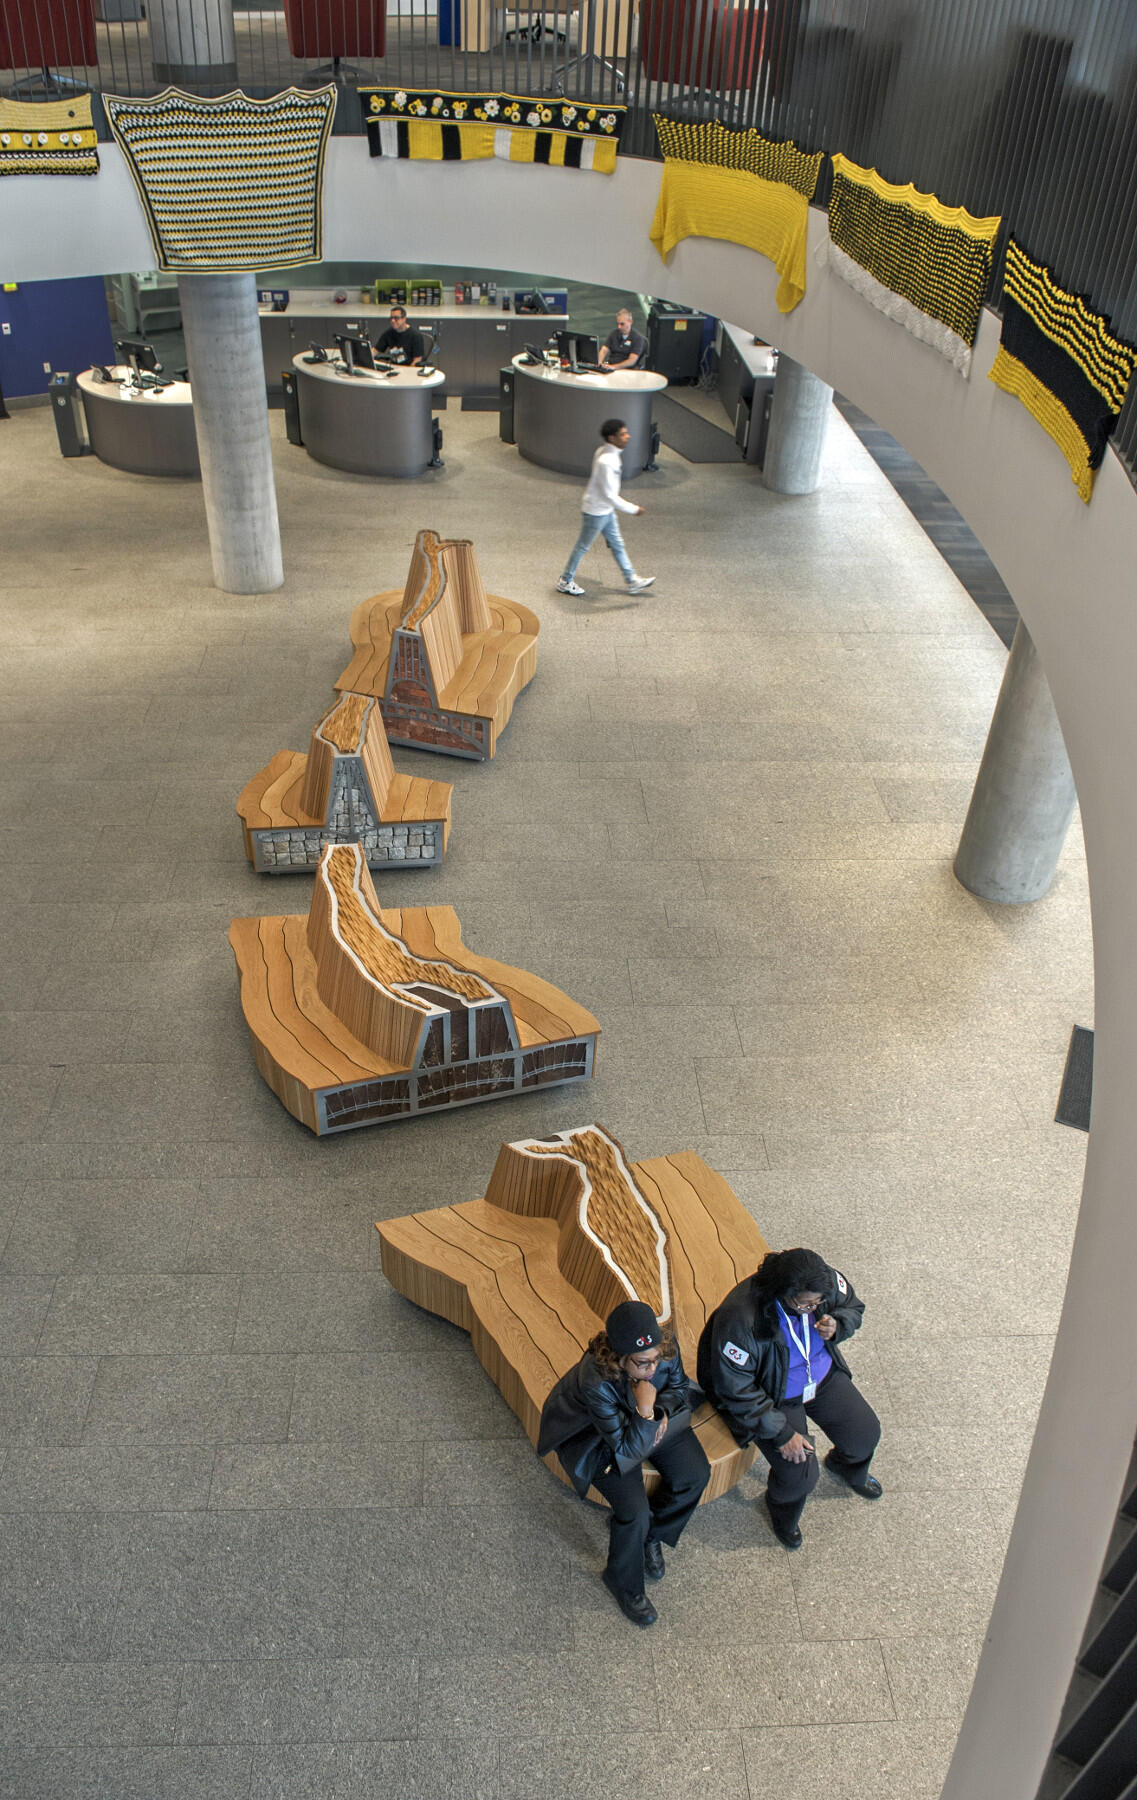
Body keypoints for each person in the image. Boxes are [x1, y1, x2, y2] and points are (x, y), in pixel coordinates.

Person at [537, 1300, 709, 1628]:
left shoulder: (663, 1350)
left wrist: (659, 1413)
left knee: (696, 1475)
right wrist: (645, 1412)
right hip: (597, 1438)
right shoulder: (596, 1380)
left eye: (657, 1359)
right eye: (643, 1364)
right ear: (620, 1358)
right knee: (634, 1513)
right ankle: (623, 1583)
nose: (653, 1369)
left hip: (652, 1419)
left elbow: (679, 1390)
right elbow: (624, 1447)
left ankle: (651, 1536)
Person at [697, 1247, 881, 1550]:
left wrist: (839, 1324)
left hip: (821, 1377)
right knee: (800, 1473)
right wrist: (782, 1433)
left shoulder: (822, 1284)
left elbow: (852, 1305)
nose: (814, 1307)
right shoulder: (741, 1317)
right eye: (805, 1303)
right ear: (783, 1292)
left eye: (818, 1302)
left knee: (865, 1434)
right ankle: (781, 1510)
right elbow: (735, 1387)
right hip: (774, 1393)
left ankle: (846, 1467)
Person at [556, 419, 655, 597]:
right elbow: (610, 495)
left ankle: (631, 579)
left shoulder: (606, 452)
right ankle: (565, 580)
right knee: (582, 547)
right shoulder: (606, 460)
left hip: (605, 510)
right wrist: (634, 509)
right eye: (623, 434)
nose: (627, 436)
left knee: (617, 544)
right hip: (596, 512)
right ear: (612, 437)